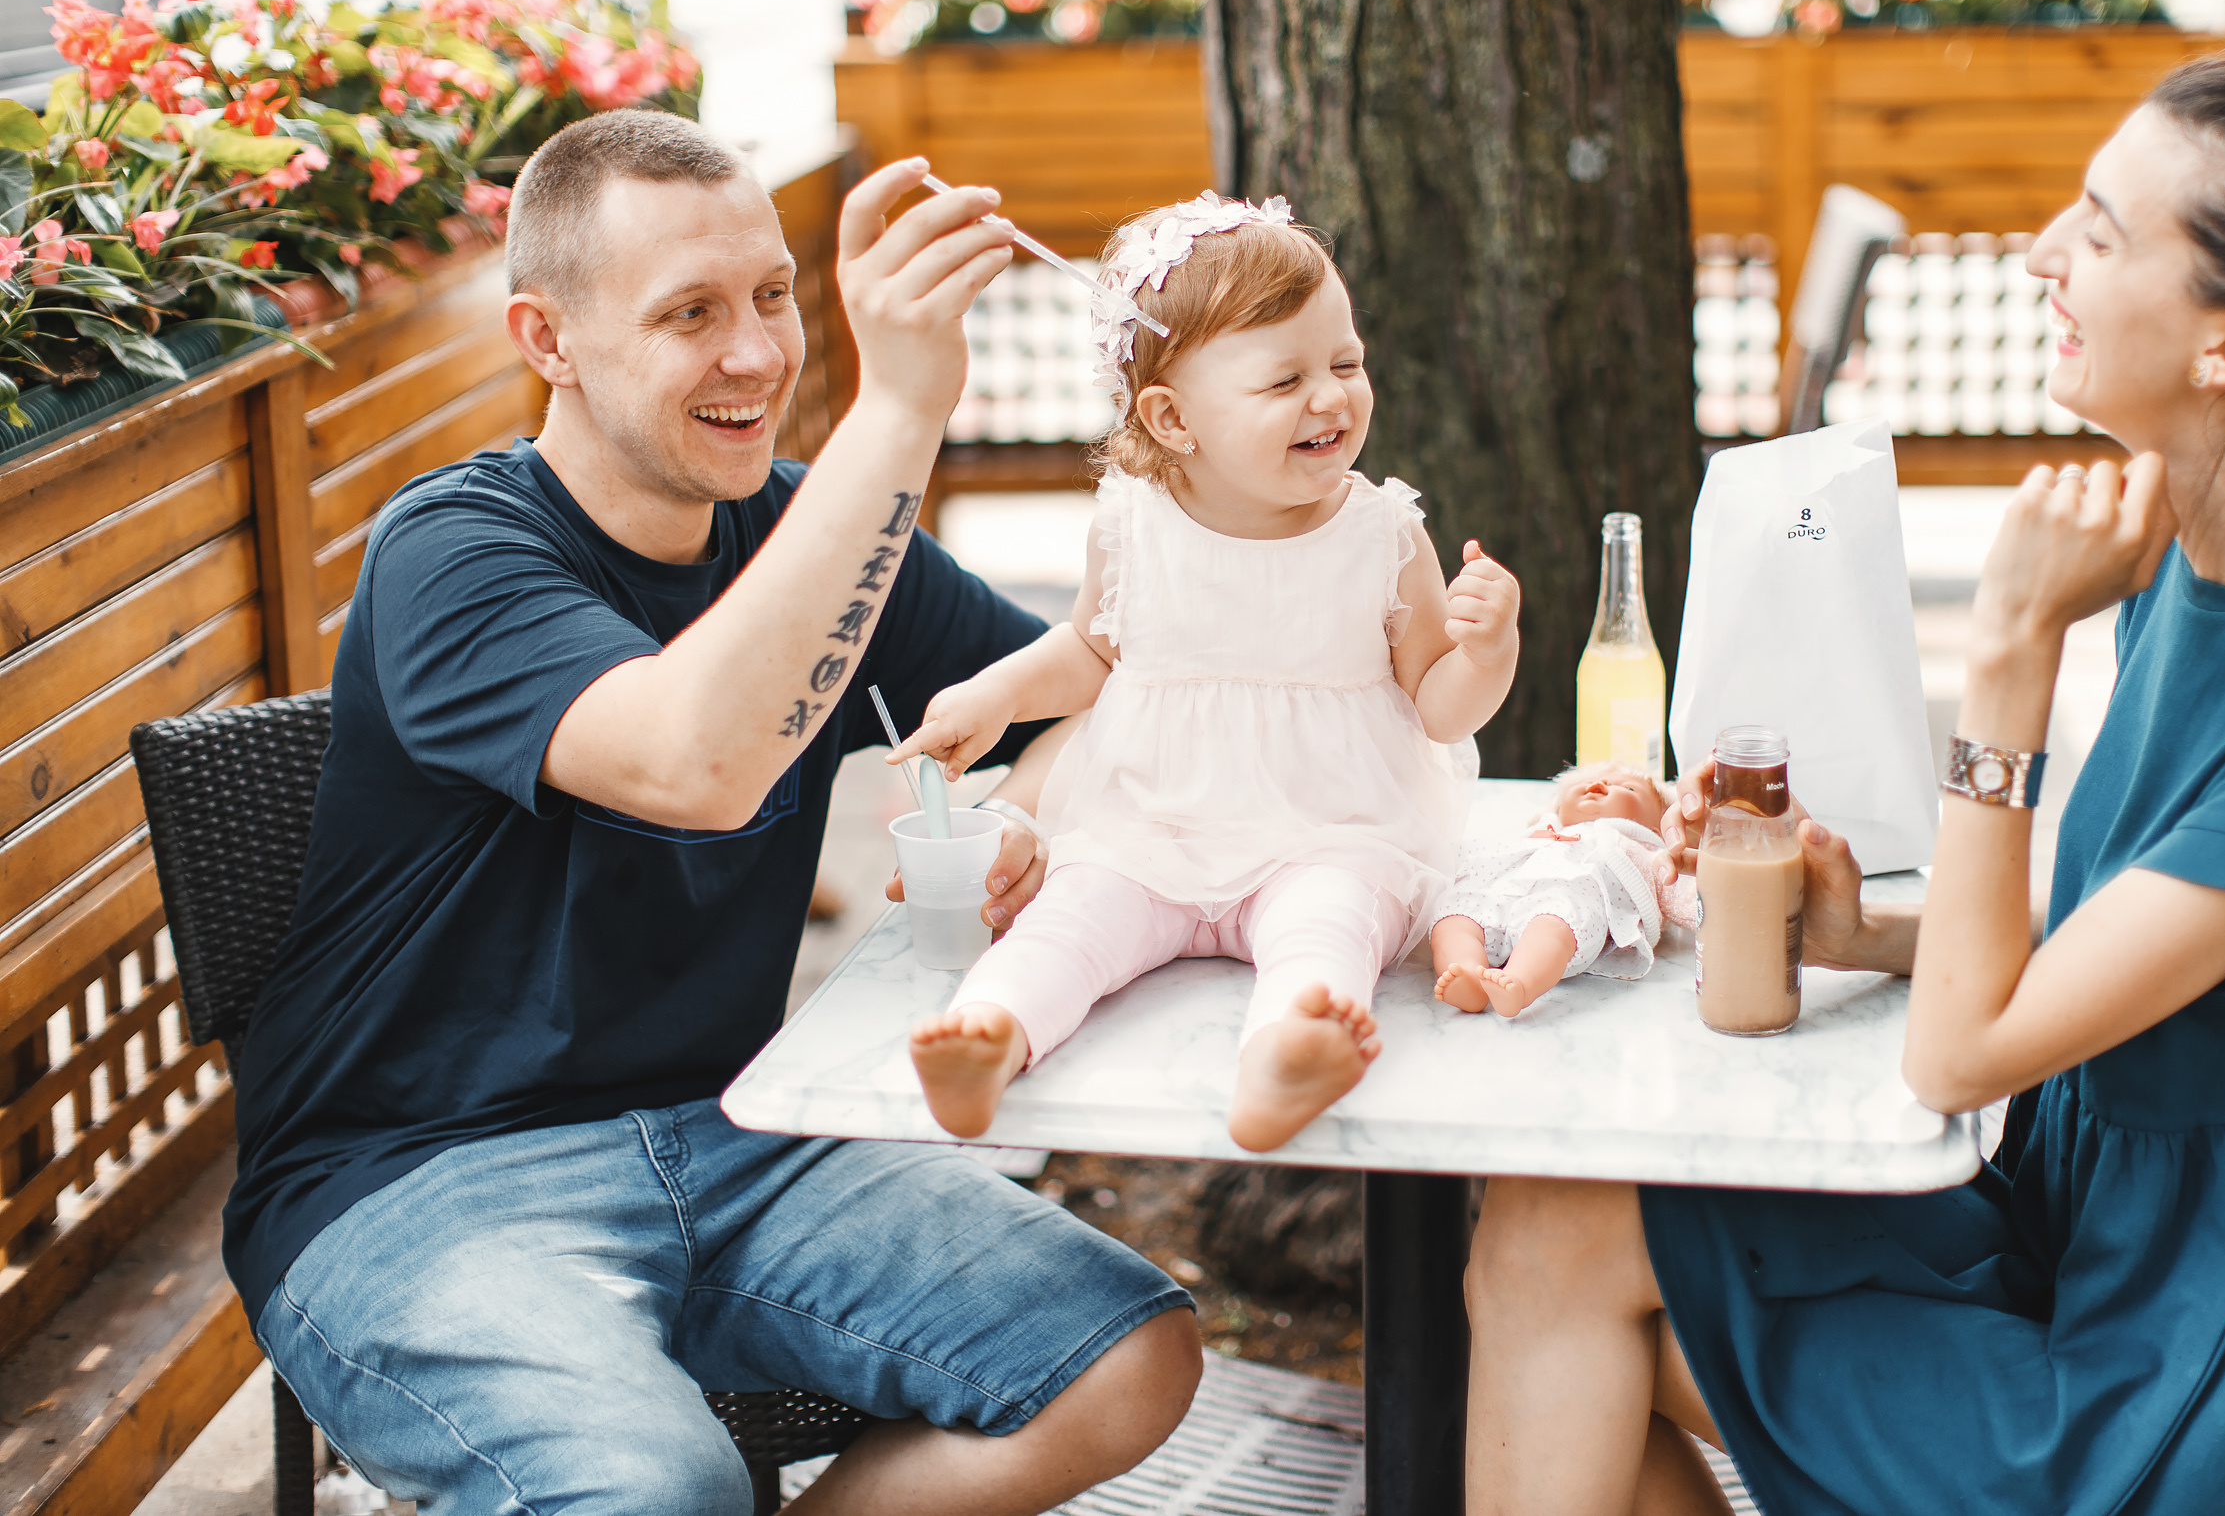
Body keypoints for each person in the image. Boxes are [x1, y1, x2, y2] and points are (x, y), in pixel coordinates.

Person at [1464, 57, 2225, 1514]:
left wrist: (2010, 652)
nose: (2047, 250)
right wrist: (1874, 935)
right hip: (2098, 1238)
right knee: (1553, 1226)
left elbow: (1958, 1061)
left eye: (2102, 232)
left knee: (1575, 1292)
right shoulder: (2195, 528)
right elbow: (2139, 942)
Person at [225, 111, 1201, 1516]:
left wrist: (1024, 818)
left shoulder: (804, 527)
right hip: (419, 1178)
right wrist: (904, 408)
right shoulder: (449, 549)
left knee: (1125, 1354)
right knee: (657, 1485)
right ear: (546, 338)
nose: (756, 353)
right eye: (690, 313)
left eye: (771, 296)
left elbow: (1089, 701)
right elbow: (696, 762)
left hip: (740, 1129)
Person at [886, 190, 1520, 1152]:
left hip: (1327, 826)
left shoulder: (1382, 534)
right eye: (1284, 381)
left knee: (1330, 919)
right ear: (1173, 419)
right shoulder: (1133, 520)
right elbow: (1094, 650)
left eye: (1347, 362)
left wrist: (1487, 649)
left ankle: (1288, 1051)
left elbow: (1439, 704)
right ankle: (992, 1033)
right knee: (1074, 916)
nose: (1333, 396)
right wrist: (994, 696)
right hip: (1152, 821)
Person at [1429, 763, 1693, 1018]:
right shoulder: (1541, 831)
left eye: (1628, 788)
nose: (1598, 784)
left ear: (1660, 825)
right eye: (1583, 782)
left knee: (1552, 925)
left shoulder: (1645, 851)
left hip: (1568, 905)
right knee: (1456, 915)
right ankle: (1466, 971)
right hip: (1504, 893)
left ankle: (1519, 981)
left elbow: (1690, 893)